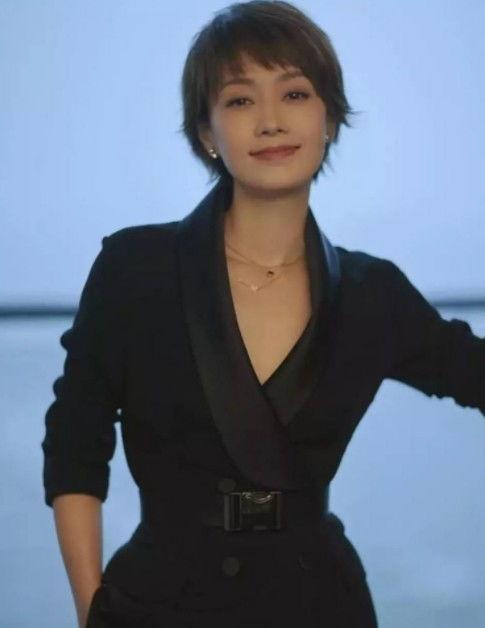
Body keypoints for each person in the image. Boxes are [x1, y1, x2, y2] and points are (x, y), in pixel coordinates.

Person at [41, 1, 485, 627]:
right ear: (206, 132)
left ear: (330, 118)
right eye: (241, 100)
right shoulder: (134, 268)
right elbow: (75, 446)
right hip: (156, 605)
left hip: (319, 604)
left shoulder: (373, 293)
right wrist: (93, 611)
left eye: (295, 94)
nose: (272, 121)